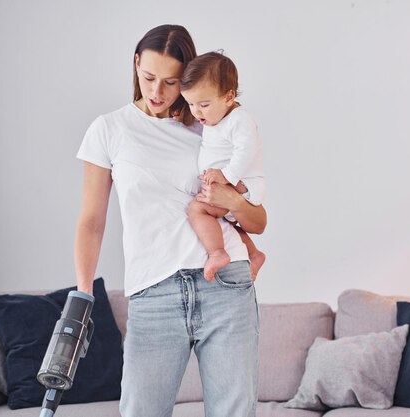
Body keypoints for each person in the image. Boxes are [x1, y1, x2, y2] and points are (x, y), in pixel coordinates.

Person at [74, 24, 265, 417]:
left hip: (225, 286)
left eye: (171, 82)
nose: (158, 93)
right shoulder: (109, 129)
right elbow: (92, 221)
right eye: (148, 78)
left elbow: (258, 220)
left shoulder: (210, 124)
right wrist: (83, 293)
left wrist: (230, 197)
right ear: (136, 64)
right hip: (152, 291)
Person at [180, 51, 266, 282]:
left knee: (197, 210)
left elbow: (246, 150)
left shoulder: (239, 119)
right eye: (190, 104)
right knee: (224, 222)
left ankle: (217, 253)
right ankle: (254, 253)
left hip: (241, 185)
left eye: (204, 104)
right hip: (233, 185)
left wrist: (226, 175)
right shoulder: (214, 118)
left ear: (228, 97)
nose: (196, 111)